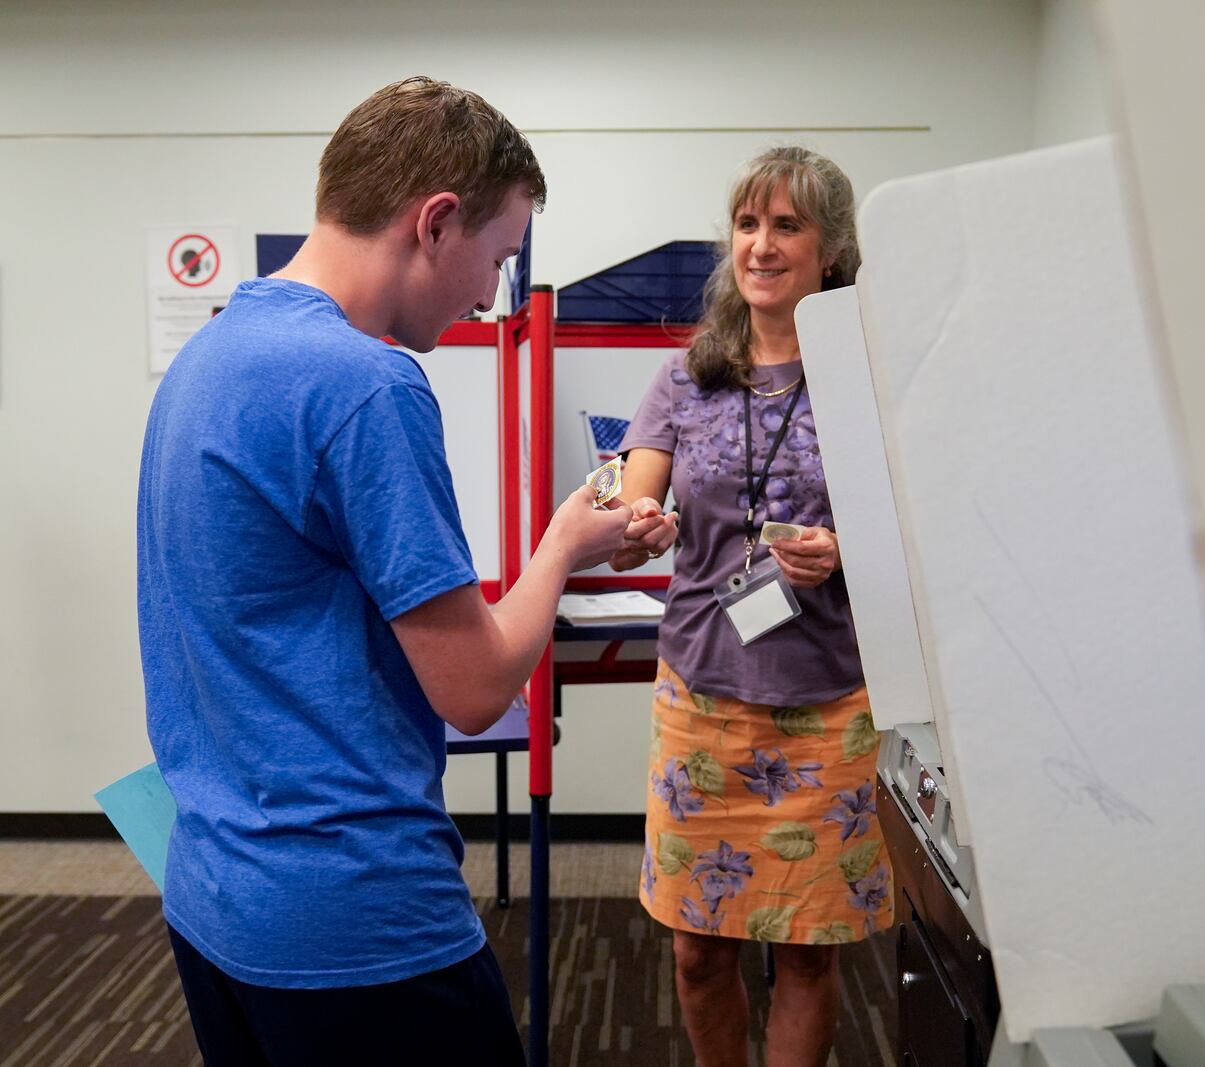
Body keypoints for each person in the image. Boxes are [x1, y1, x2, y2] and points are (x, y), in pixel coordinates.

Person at [136, 76, 630, 1066]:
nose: (491, 293)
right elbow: (479, 686)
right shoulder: (363, 383)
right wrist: (564, 544)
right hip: (355, 920)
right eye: (495, 257)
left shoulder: (213, 352)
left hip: (214, 893)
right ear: (436, 223)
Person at [611, 146, 893, 1067]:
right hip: (702, 695)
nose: (761, 245)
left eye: (786, 225)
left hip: (828, 704)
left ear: (831, 250)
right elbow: (637, 501)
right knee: (698, 950)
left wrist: (845, 551)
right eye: (747, 223)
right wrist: (639, 522)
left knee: (806, 953)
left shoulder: (868, 376)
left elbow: (921, 527)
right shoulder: (687, 378)